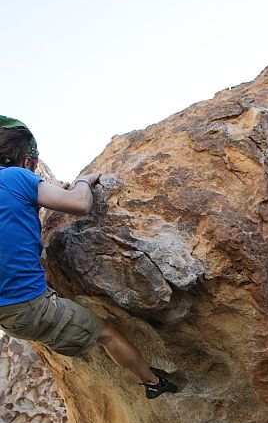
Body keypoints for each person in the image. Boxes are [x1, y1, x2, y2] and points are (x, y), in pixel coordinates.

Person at [0, 116, 181, 399]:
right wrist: (84, 180)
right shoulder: (15, 177)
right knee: (106, 333)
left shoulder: (12, 184)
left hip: (9, 309)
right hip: (27, 307)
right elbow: (81, 204)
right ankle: (154, 384)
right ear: (25, 159)